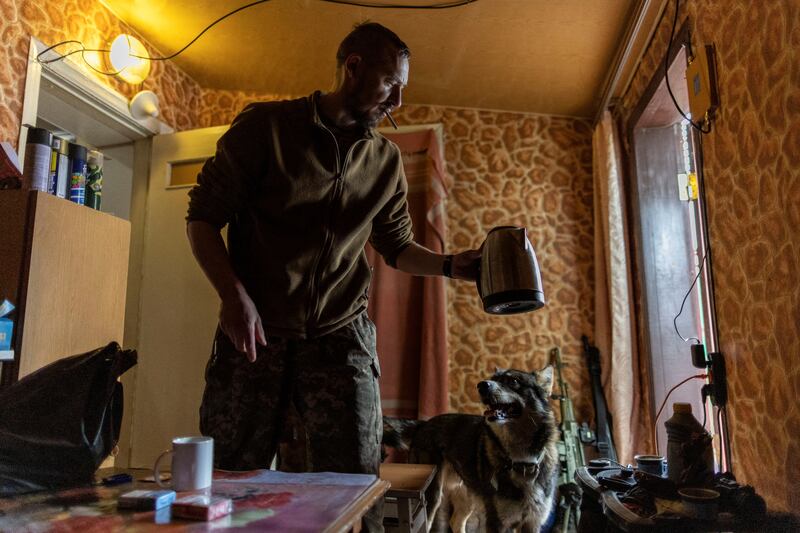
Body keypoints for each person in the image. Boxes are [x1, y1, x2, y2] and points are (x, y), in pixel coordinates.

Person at [186, 22, 480, 531]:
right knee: (229, 479)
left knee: (352, 485)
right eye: (391, 83)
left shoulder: (385, 161)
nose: (398, 99)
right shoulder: (266, 128)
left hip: (340, 337)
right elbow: (202, 218)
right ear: (353, 67)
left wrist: (451, 265)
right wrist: (233, 297)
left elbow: (396, 247)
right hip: (257, 334)